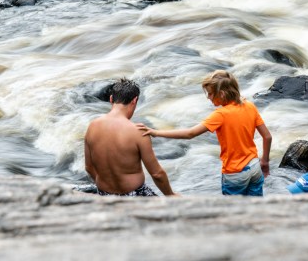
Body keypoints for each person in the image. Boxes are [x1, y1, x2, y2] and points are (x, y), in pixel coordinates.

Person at [137, 70, 272, 196]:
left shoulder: (220, 115)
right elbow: (267, 136)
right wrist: (264, 160)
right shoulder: (249, 106)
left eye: (210, 94)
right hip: (254, 167)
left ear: (222, 94)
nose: (208, 97)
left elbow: (190, 134)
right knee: (256, 209)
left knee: (234, 212)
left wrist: (156, 132)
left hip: (235, 173)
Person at [84, 78, 176, 197]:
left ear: (111, 99)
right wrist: (170, 194)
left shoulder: (92, 126)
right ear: (134, 100)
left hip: (104, 194)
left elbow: (89, 167)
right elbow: (157, 174)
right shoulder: (138, 132)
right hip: (134, 195)